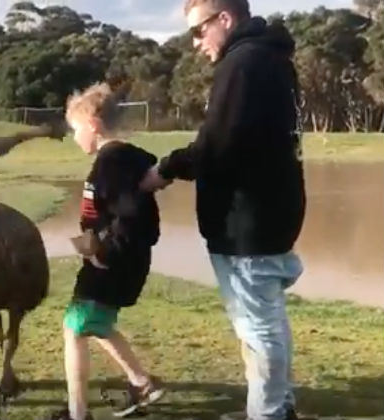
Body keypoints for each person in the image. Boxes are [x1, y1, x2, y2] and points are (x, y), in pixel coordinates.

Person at [141, 1, 306, 419]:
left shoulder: (244, 64)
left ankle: (267, 413)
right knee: (267, 319)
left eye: (198, 31)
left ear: (225, 19)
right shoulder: (271, 57)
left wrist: (167, 168)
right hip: (269, 212)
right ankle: (279, 405)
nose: (196, 43)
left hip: (248, 220)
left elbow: (217, 145)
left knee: (258, 327)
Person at [50, 82, 166, 420]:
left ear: (94, 126)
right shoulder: (121, 161)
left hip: (111, 263)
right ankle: (142, 383)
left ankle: (77, 412)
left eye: (76, 130)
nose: (74, 139)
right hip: (116, 261)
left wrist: (102, 253)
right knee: (95, 324)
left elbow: (134, 218)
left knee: (74, 327)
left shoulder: (111, 164)